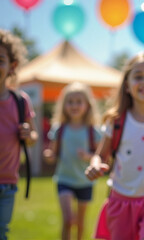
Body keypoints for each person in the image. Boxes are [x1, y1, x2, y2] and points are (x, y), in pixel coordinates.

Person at [85, 52, 144, 240]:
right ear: (127, 86)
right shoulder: (116, 122)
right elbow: (100, 155)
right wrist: (95, 164)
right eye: (138, 76)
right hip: (121, 201)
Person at [43, 82, 101, 240]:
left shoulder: (93, 131)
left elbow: (100, 155)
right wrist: (49, 155)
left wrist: (88, 157)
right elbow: (53, 153)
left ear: (87, 105)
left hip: (85, 181)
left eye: (78, 102)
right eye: (70, 102)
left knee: (81, 222)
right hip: (64, 179)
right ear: (63, 105)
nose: (74, 105)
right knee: (68, 220)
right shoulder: (59, 129)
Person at [0, 29, 38, 240]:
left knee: (1, 232)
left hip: (7, 183)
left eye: (0, 59)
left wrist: (27, 134)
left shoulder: (20, 101)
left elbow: (33, 138)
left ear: (12, 66)